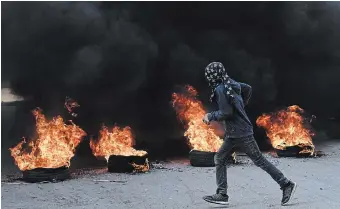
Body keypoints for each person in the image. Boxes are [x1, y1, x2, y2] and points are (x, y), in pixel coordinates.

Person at [202, 61, 297, 206]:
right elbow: (248, 88)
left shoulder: (222, 89)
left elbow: (226, 113)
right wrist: (241, 105)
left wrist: (210, 116)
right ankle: (222, 194)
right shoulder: (231, 84)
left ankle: (286, 184)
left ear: (212, 76)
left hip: (241, 133)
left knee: (259, 160)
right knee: (219, 158)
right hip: (234, 133)